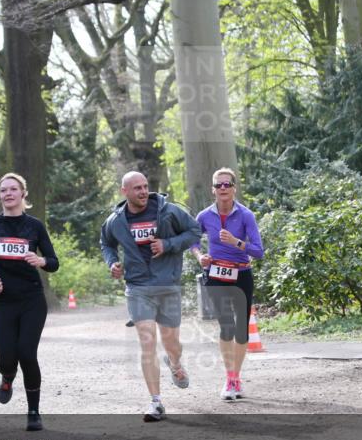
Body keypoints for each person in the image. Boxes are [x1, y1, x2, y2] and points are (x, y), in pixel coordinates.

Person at [100, 171, 201, 422]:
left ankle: (175, 364)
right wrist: (112, 263)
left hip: (168, 284)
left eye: (145, 186)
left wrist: (167, 244)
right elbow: (107, 243)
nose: (143, 191)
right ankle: (156, 402)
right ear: (125, 191)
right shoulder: (116, 220)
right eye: (137, 188)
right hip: (138, 287)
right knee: (147, 342)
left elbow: (194, 231)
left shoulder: (169, 211)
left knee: (171, 342)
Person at [0, 173, 59, 431]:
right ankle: (7, 377)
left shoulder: (34, 226)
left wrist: (41, 261)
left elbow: (54, 262)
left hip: (32, 299)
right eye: (4, 190)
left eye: (13, 189)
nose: (8, 194)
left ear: (23, 194)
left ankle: (33, 412)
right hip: (3, 301)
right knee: (7, 358)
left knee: (26, 353)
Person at [190, 168, 264, 401]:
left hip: (241, 274)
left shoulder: (245, 215)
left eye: (227, 184)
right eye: (218, 185)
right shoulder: (204, 216)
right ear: (213, 190)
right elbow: (192, 239)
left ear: (234, 188)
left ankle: (237, 377)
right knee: (226, 326)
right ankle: (230, 378)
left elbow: (258, 251)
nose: (223, 188)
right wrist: (199, 256)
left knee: (241, 330)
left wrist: (236, 242)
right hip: (216, 274)